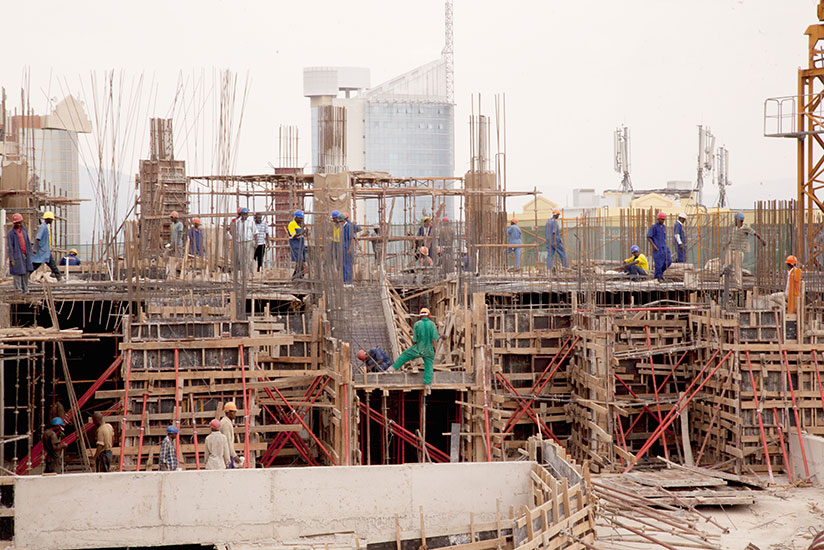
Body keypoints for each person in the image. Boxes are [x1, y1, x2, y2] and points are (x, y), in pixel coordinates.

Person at [386, 308, 439, 391]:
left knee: (405, 355)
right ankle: (427, 384)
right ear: (429, 315)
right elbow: (436, 338)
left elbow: (414, 339)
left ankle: (392, 369)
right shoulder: (432, 324)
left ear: (420, 315)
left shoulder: (417, 324)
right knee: (429, 365)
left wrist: (415, 346)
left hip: (418, 348)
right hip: (429, 350)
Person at [724, 212, 766, 288]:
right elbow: (731, 239)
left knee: (737, 268)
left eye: (736, 220)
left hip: (739, 251)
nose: (735, 222)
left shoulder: (746, 228)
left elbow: (755, 233)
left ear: (741, 221)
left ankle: (738, 284)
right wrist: (726, 245)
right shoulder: (734, 229)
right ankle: (723, 282)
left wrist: (762, 240)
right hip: (731, 250)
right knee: (726, 267)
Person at [7, 213, 34, 293]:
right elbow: (10, 247)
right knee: (17, 273)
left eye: (19, 222)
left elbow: (27, 242)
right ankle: (18, 290)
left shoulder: (23, 230)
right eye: (17, 223)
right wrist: (12, 258)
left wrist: (30, 253)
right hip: (17, 255)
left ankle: (25, 289)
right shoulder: (11, 233)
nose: (18, 224)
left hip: (25, 254)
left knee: (26, 271)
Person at [32, 211, 63, 281]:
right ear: (48, 219)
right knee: (36, 265)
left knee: (52, 264)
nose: (52, 221)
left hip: (45, 251)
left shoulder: (45, 227)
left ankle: (59, 277)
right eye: (51, 219)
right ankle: (59, 278)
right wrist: (35, 249)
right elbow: (37, 238)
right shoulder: (42, 227)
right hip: (42, 251)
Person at [646, 212, 671, 282]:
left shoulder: (664, 227)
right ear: (658, 219)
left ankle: (660, 274)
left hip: (664, 247)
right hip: (657, 248)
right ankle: (657, 278)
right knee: (658, 264)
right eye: (661, 219)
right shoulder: (654, 227)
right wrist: (654, 246)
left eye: (663, 220)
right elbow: (648, 237)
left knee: (668, 261)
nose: (662, 221)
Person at [234, 207, 256, 275]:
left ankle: (251, 272)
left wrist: (256, 243)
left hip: (249, 241)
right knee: (241, 258)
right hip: (240, 242)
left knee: (249, 258)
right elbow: (234, 232)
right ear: (241, 214)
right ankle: (243, 272)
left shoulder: (251, 222)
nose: (245, 216)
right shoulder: (237, 222)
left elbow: (255, 233)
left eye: (246, 214)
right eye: (243, 214)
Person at [340, 212, 361, 284]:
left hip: (347, 248)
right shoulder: (343, 227)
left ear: (343, 220)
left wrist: (350, 249)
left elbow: (352, 238)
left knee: (348, 265)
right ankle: (345, 281)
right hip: (343, 248)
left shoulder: (349, 226)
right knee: (344, 266)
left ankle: (349, 282)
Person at [220, 401, 242, 468]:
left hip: (228, 453)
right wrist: (234, 455)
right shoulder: (225, 423)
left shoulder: (227, 422)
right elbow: (227, 441)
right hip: (227, 455)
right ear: (228, 412)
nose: (235, 414)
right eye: (233, 412)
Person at [287, 210, 307, 280]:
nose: (301, 219)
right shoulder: (291, 224)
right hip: (295, 244)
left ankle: (297, 277)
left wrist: (305, 232)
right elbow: (294, 236)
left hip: (301, 244)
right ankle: (298, 277)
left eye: (302, 218)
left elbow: (303, 234)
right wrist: (302, 233)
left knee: (302, 261)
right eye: (300, 218)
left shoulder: (300, 225)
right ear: (295, 217)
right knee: (299, 261)